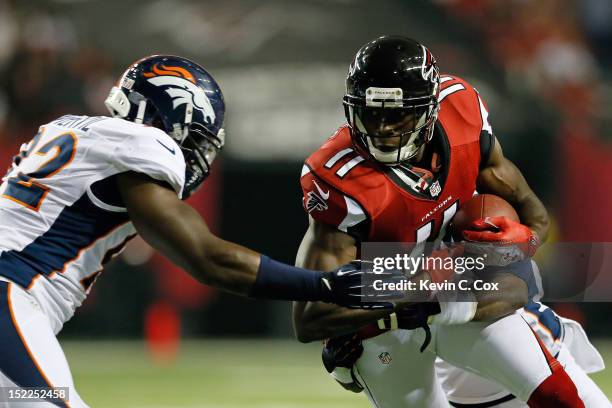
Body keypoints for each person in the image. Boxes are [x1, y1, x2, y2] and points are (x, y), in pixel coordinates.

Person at [0, 55, 396, 407]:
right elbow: (208, 258)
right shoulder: (143, 144)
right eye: (198, 141)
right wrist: (323, 285)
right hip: (11, 295)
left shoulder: (67, 129)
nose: (197, 157)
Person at [294, 36, 606, 406]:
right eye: (371, 112)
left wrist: (523, 243)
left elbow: (530, 212)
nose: (383, 127)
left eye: (398, 114)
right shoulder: (338, 175)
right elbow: (310, 314)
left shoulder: (462, 111)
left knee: (572, 399)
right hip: (386, 322)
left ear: (429, 110)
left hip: (459, 293)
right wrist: (405, 298)